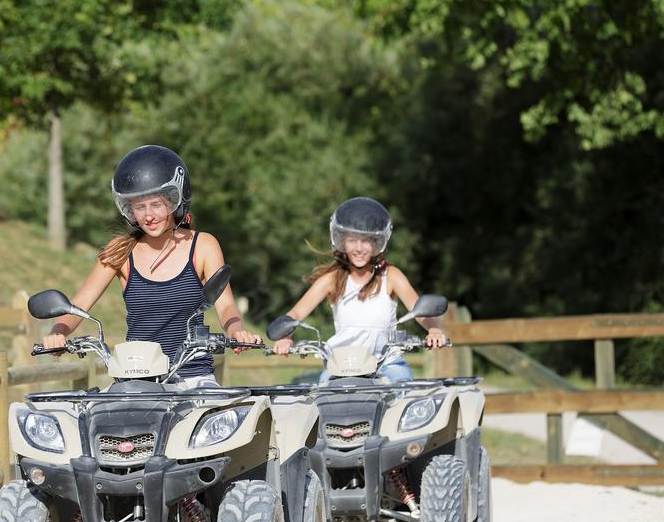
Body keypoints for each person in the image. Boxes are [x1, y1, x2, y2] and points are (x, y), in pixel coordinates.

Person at [42, 144, 260, 386]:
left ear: (175, 200)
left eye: (156, 204)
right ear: (128, 208)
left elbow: (226, 304)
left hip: (193, 379)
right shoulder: (120, 251)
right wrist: (58, 333)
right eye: (139, 206)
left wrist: (235, 330)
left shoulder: (203, 246)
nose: (148, 215)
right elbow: (79, 305)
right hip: (136, 379)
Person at [271, 197, 446, 382]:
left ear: (377, 242)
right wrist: (285, 337)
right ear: (341, 241)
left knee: (403, 392)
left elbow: (418, 310)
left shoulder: (391, 276)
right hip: (341, 365)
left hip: (386, 364)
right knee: (323, 395)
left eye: (366, 241)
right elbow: (296, 314)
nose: (359, 248)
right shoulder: (332, 279)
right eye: (352, 240)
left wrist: (434, 330)